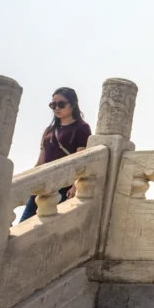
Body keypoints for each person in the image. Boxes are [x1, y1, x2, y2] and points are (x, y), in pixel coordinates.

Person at [19, 88, 91, 222]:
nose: (57, 108)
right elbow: (41, 161)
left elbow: (81, 159)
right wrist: (28, 181)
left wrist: (75, 186)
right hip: (43, 182)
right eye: (53, 105)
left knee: (49, 223)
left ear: (73, 104)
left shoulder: (81, 128)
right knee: (24, 222)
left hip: (64, 185)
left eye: (61, 104)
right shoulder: (50, 130)